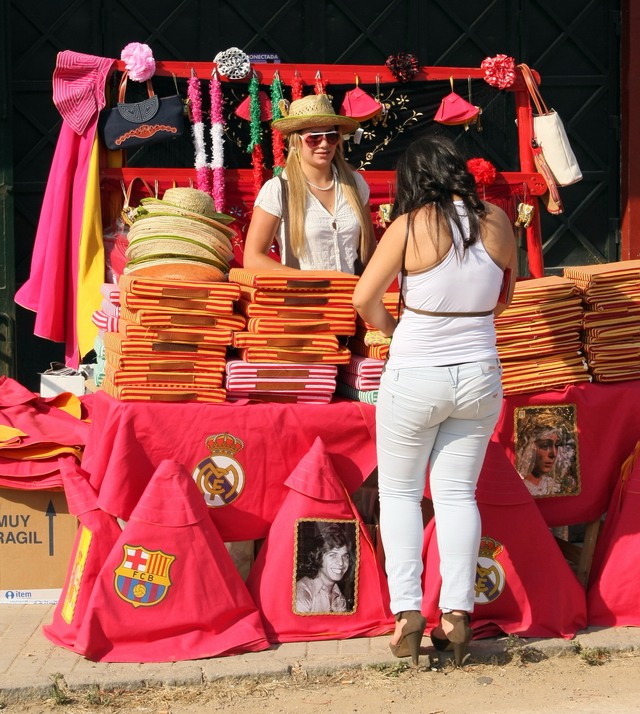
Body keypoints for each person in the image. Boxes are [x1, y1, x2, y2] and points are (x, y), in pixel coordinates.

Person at [352, 134, 517, 666]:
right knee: (456, 495)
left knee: (400, 493)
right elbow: (504, 299)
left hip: (416, 370)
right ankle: (457, 613)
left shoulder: (411, 223)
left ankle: (407, 612)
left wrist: (395, 327)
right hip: (481, 373)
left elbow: (364, 299)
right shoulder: (498, 221)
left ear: (414, 179)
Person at [243, 94, 376, 274]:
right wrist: (306, 279)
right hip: (302, 299)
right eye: (314, 138)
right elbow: (252, 259)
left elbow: (369, 251)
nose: (324, 144)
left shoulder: (355, 183)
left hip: (350, 298)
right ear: (296, 141)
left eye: (331, 137)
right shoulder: (278, 189)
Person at [295, 522, 353, 613]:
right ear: (318, 557)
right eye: (333, 555)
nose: (341, 563)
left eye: (345, 556)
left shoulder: (339, 596)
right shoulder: (303, 593)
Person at [515, 411, 576, 496]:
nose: (553, 454)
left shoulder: (554, 486)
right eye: (545, 445)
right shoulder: (518, 486)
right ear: (528, 448)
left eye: (557, 446)